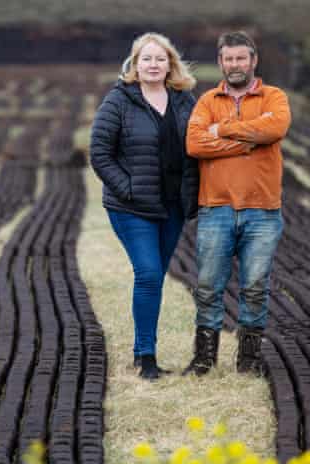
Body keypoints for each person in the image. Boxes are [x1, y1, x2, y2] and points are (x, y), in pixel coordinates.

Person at [90, 32, 200, 380]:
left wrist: (194, 193)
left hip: (172, 207)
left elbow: (199, 148)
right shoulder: (119, 100)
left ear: (171, 64)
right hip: (131, 208)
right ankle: (146, 356)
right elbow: (100, 154)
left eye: (160, 59)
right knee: (149, 274)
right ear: (135, 65)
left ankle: (144, 352)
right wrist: (129, 189)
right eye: (146, 59)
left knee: (156, 278)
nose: (153, 65)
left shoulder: (185, 101)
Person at [182, 30, 291, 376]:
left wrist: (223, 129)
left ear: (253, 61)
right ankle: (204, 359)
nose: (235, 64)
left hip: (263, 211)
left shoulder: (274, 96)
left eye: (241, 58)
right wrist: (245, 141)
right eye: (228, 59)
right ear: (220, 63)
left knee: (255, 286)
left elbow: (274, 130)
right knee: (208, 286)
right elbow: (195, 145)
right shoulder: (206, 101)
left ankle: (249, 360)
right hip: (216, 209)